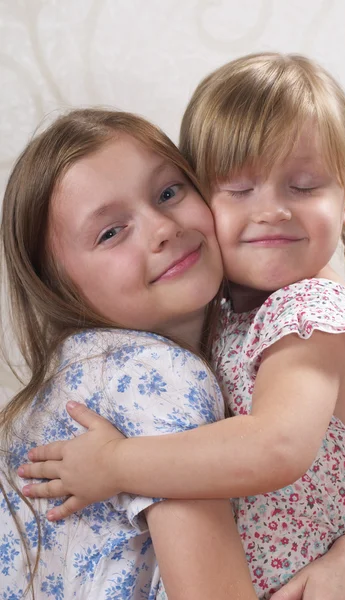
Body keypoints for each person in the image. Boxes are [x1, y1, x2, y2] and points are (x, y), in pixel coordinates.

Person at [20, 54, 345, 599]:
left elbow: (275, 446)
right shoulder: (217, 323)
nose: (271, 211)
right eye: (239, 190)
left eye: (304, 185)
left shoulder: (312, 314)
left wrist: (115, 463)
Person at [0, 108, 260, 599]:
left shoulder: (82, 369)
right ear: (57, 287)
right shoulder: (152, 374)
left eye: (168, 193)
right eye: (111, 232)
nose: (162, 228)